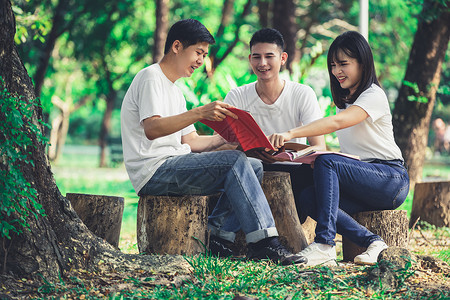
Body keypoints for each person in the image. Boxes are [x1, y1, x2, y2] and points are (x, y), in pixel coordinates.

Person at [120, 19, 306, 265]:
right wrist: (200, 113)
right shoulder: (151, 78)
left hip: (176, 162)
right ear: (177, 46)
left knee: (253, 165)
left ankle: (220, 235)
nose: (201, 61)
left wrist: (230, 141)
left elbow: (192, 141)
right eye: (198, 52)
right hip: (153, 171)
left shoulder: (174, 90)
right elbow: (152, 128)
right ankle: (264, 243)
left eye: (204, 54)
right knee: (235, 163)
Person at [268, 31, 410, 266]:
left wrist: (291, 133)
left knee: (328, 161)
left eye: (344, 64)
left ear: (363, 64)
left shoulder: (373, 95)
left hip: (390, 178)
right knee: (309, 198)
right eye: (333, 65)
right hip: (364, 179)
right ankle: (374, 242)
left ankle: (324, 244)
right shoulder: (345, 103)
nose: (336, 71)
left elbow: (335, 124)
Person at [223, 28, 326, 220]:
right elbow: (221, 143)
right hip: (251, 167)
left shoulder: (302, 93)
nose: (262, 63)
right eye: (256, 57)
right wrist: (249, 150)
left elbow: (319, 146)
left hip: (293, 168)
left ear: (283, 58)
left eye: (269, 56)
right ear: (249, 59)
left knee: (311, 177)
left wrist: (288, 154)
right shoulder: (237, 96)